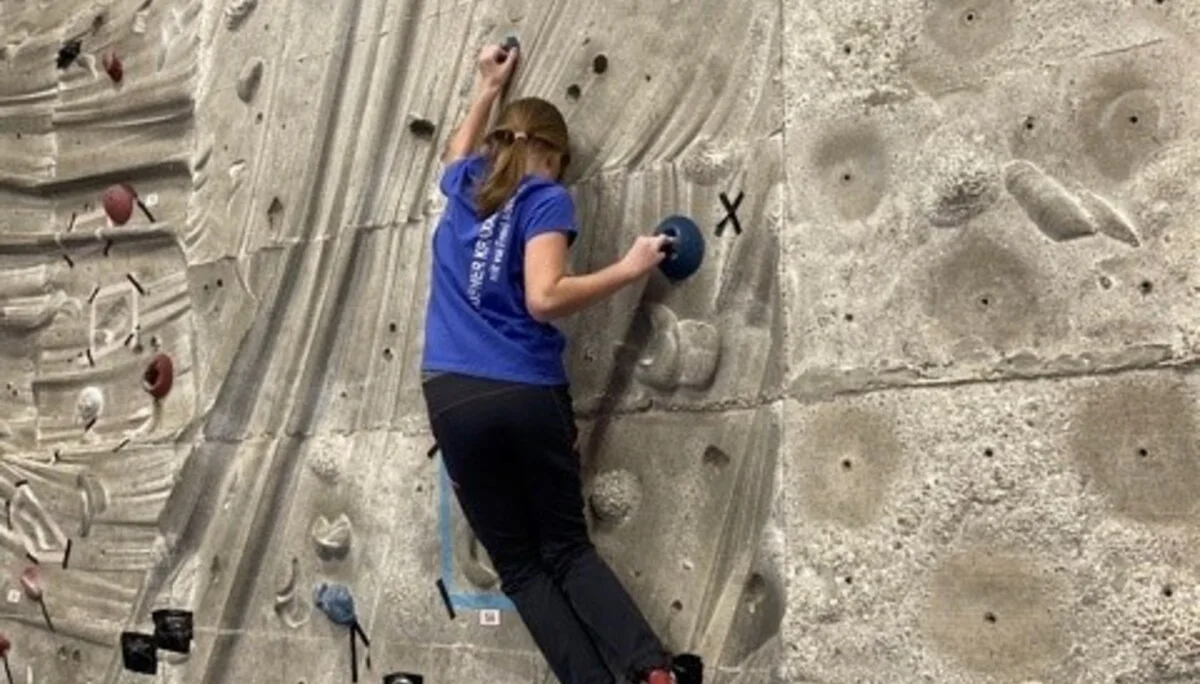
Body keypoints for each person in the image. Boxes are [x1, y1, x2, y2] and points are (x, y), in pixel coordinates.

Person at [420, 41, 702, 684]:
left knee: (521, 569)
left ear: (501, 144)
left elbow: (454, 155)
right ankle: (652, 673)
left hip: (451, 397)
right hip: (521, 390)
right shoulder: (546, 197)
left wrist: (485, 86)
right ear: (554, 153)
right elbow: (543, 297)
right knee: (566, 549)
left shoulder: (467, 185)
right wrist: (628, 269)